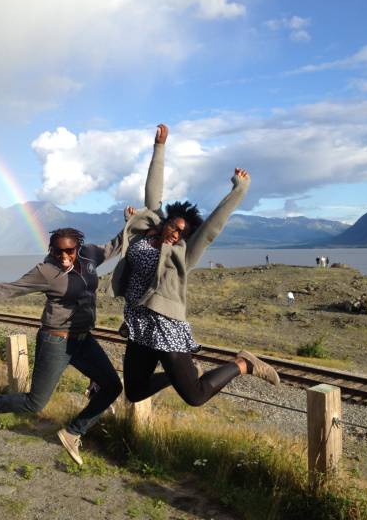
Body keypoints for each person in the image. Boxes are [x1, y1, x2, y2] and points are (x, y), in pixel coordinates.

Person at [107, 124, 280, 409]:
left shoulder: (182, 254)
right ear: (165, 221)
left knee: (196, 395)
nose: (176, 234)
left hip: (165, 326)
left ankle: (243, 364)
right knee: (134, 392)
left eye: (182, 233)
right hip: (139, 323)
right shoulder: (147, 230)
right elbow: (153, 193)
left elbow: (212, 227)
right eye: (174, 226)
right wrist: (159, 147)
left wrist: (239, 189)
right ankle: (180, 375)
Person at [0, 223, 129, 466]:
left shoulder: (89, 255)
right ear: (51, 250)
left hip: (83, 340)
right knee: (35, 403)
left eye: (69, 251)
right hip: (56, 340)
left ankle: (73, 432)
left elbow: (115, 245)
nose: (64, 256)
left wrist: (135, 220)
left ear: (78, 248)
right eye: (58, 251)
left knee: (112, 386)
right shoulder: (45, 271)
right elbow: (6, 290)